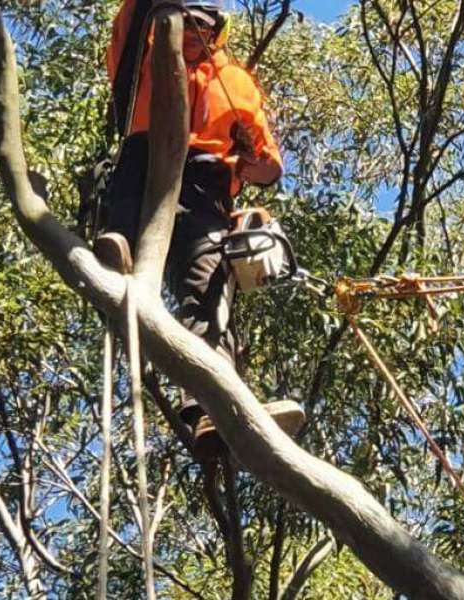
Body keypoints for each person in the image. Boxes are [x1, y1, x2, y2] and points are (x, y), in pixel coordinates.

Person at [95, 0, 304, 459]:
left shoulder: (236, 83)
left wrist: (253, 160)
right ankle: (121, 247)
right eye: (183, 23)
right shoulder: (140, 58)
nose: (191, 33)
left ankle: (209, 412)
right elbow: (130, 21)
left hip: (206, 187)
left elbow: (270, 168)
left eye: (201, 25)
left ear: (216, 30)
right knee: (129, 190)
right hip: (144, 162)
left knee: (206, 291)